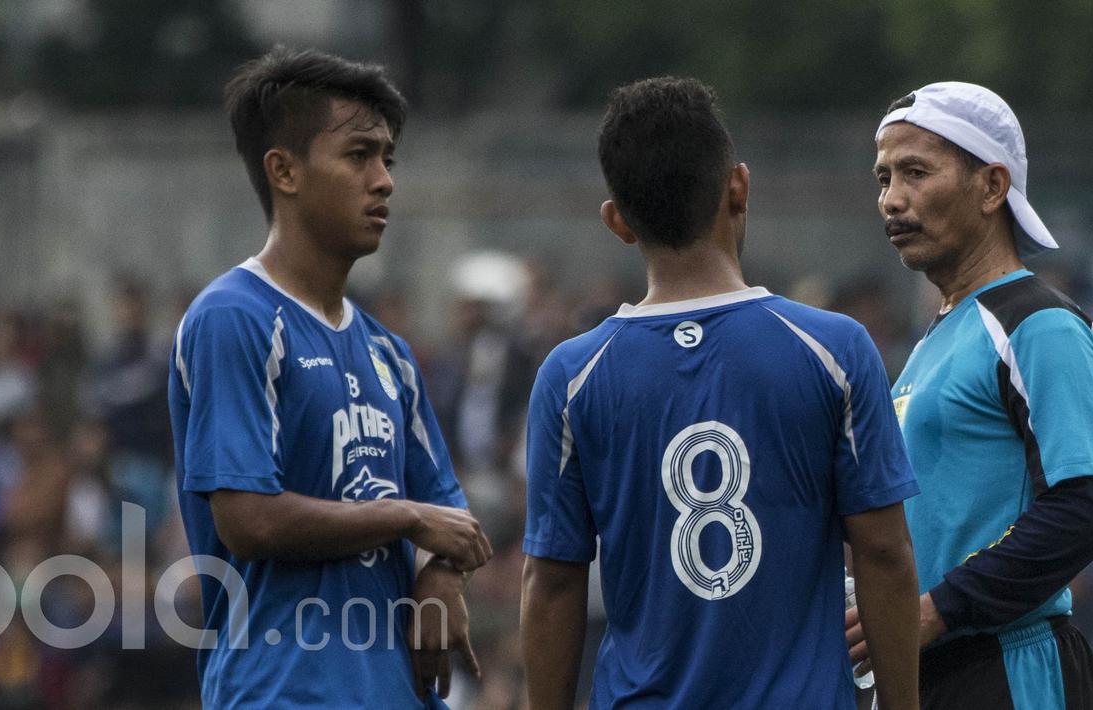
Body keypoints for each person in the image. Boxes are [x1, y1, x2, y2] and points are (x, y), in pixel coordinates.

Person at [520, 77, 921, 710]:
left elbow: (552, 584)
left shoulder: (571, 376)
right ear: (738, 186)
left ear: (616, 220)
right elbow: (884, 553)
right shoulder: (834, 349)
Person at [167, 46, 492, 708]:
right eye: (358, 156)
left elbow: (449, 516)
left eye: (387, 159)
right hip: (284, 691)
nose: (384, 180)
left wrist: (442, 577)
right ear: (283, 171)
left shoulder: (390, 353)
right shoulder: (236, 318)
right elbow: (248, 522)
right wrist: (405, 519)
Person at [853, 81, 1093, 709]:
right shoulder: (941, 334)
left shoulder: (1039, 321)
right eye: (884, 177)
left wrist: (938, 609)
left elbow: (1085, 504)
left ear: (993, 187)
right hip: (935, 667)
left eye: (916, 171)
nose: (892, 199)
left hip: (1010, 666)